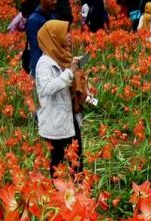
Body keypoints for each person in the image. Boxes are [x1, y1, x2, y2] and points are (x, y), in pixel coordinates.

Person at [35, 20, 87, 176]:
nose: (70, 36)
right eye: (66, 33)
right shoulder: (44, 63)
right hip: (55, 123)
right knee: (57, 163)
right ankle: (58, 195)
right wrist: (70, 72)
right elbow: (46, 88)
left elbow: (68, 85)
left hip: (70, 118)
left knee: (77, 161)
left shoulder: (62, 57)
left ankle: (79, 194)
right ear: (54, 37)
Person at [26, 0, 57, 78]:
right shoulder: (34, 21)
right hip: (41, 69)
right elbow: (35, 50)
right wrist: (38, 74)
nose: (55, 2)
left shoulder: (51, 16)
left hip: (52, 64)